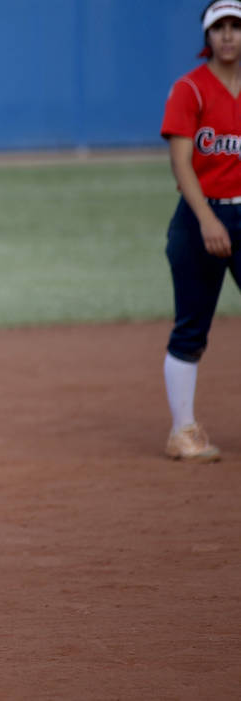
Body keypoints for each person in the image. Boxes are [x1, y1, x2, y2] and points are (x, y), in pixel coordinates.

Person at [159, 0, 241, 463]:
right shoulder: (189, 90)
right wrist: (208, 220)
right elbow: (181, 162)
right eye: (219, 28)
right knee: (192, 328)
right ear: (206, 37)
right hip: (198, 218)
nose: (228, 35)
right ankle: (182, 430)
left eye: (236, 27)